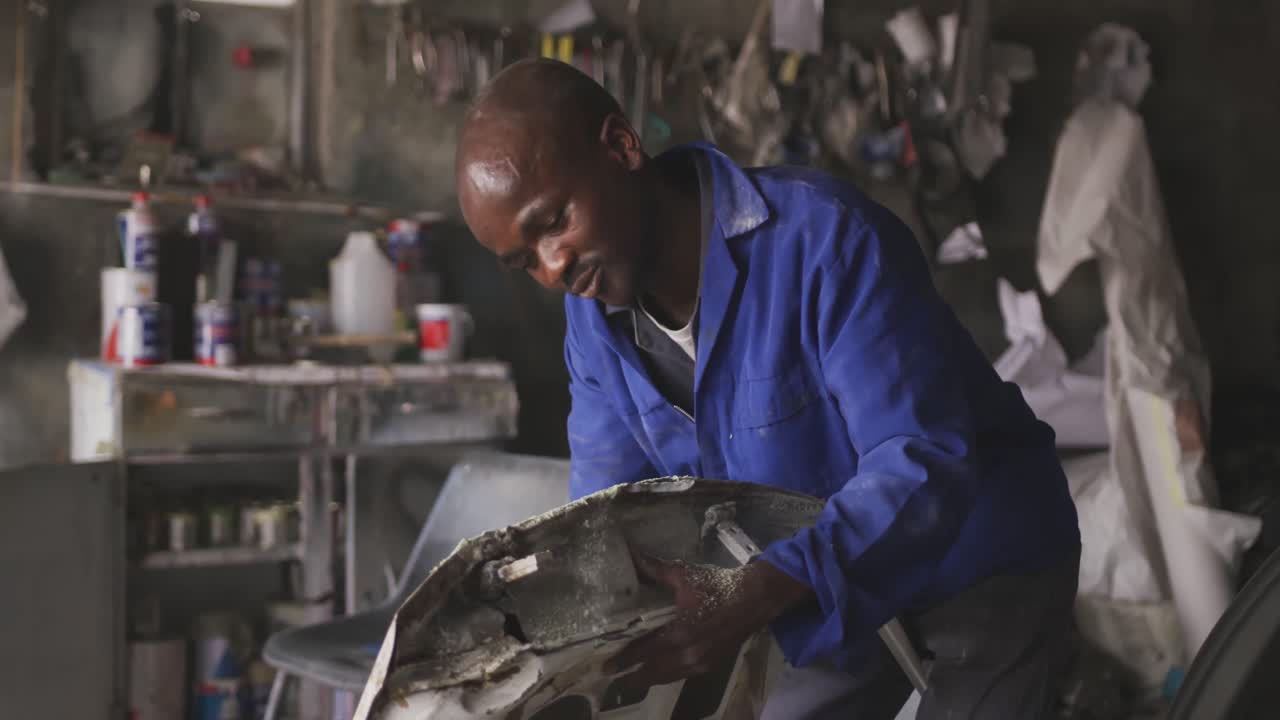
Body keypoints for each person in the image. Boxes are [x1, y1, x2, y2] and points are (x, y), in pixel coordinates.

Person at [455, 58, 1081, 719]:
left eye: (554, 221)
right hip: (815, 593)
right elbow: (607, 514)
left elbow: (921, 460)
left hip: (979, 558)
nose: (553, 266)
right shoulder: (593, 325)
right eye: (524, 261)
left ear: (621, 146)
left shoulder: (825, 240)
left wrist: (756, 593)